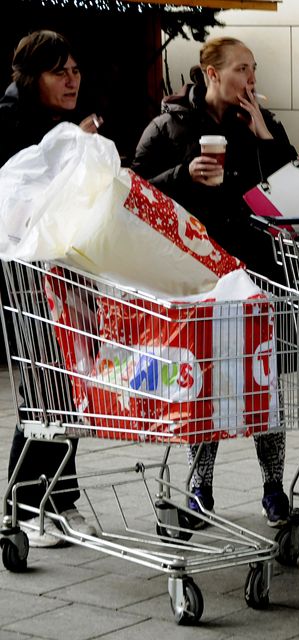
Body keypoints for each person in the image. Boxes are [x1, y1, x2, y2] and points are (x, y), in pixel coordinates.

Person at [132, 36, 296, 528]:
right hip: (200, 272)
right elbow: (137, 195)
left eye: (253, 68)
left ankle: (274, 487)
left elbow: (293, 191)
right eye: (241, 68)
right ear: (211, 74)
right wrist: (184, 172)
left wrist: (266, 135)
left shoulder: (261, 126)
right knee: (205, 382)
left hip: (257, 270)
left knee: (264, 383)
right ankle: (200, 486)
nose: (250, 79)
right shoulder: (167, 125)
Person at [1, 30, 102, 547]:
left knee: (69, 389)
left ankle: (58, 498)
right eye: (59, 71)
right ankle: (24, 505)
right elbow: (23, 199)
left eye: (75, 70)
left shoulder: (61, 126)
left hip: (65, 275)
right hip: (27, 279)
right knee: (44, 390)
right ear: (32, 76)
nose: (71, 79)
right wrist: (69, 151)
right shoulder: (14, 123)